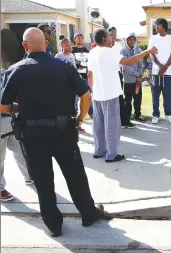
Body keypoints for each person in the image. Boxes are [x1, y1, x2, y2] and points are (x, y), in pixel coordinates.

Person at [1, 28, 105, 237]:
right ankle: (88, 214)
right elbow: (86, 96)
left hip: (32, 135)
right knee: (75, 175)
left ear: (24, 46)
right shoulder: (63, 67)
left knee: (42, 180)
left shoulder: (15, 70)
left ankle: (54, 225)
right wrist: (80, 118)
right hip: (63, 131)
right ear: (46, 44)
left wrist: (25, 107)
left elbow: (3, 107)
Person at [88, 29, 157, 162]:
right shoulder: (111, 52)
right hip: (111, 95)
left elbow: (90, 74)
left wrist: (92, 91)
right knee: (112, 125)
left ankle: (99, 150)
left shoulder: (92, 52)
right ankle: (112, 154)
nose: (111, 38)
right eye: (109, 36)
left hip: (97, 94)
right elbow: (130, 61)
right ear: (104, 39)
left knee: (98, 124)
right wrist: (147, 51)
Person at [1, 54, 33, 202]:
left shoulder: (4, 73)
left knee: (21, 150)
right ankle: (0, 189)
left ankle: (29, 176)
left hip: (11, 119)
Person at [148, 18, 171, 124]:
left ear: (163, 26)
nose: (156, 27)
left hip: (168, 73)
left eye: (158, 25)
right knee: (155, 95)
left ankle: (169, 115)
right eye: (155, 25)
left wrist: (166, 66)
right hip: (156, 72)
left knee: (167, 95)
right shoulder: (153, 38)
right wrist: (160, 66)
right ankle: (155, 115)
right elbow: (151, 53)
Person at [120, 32, 146, 124]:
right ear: (126, 40)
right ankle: (127, 118)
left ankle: (137, 115)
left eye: (133, 39)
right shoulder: (123, 51)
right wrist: (136, 73)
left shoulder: (138, 50)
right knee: (128, 99)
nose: (131, 41)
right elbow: (124, 65)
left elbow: (140, 64)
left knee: (138, 98)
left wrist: (139, 77)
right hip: (128, 80)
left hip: (137, 80)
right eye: (129, 39)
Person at [108, 27, 131, 127]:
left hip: (117, 74)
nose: (113, 35)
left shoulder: (118, 46)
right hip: (107, 75)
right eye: (111, 33)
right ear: (107, 34)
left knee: (119, 97)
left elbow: (122, 62)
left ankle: (123, 121)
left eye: (115, 33)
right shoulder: (104, 46)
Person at [72, 32, 92, 125]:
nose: (80, 39)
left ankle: (93, 116)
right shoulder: (72, 51)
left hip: (86, 78)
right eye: (78, 37)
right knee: (75, 100)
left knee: (89, 98)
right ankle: (74, 119)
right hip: (75, 79)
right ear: (74, 39)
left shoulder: (86, 50)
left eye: (81, 37)